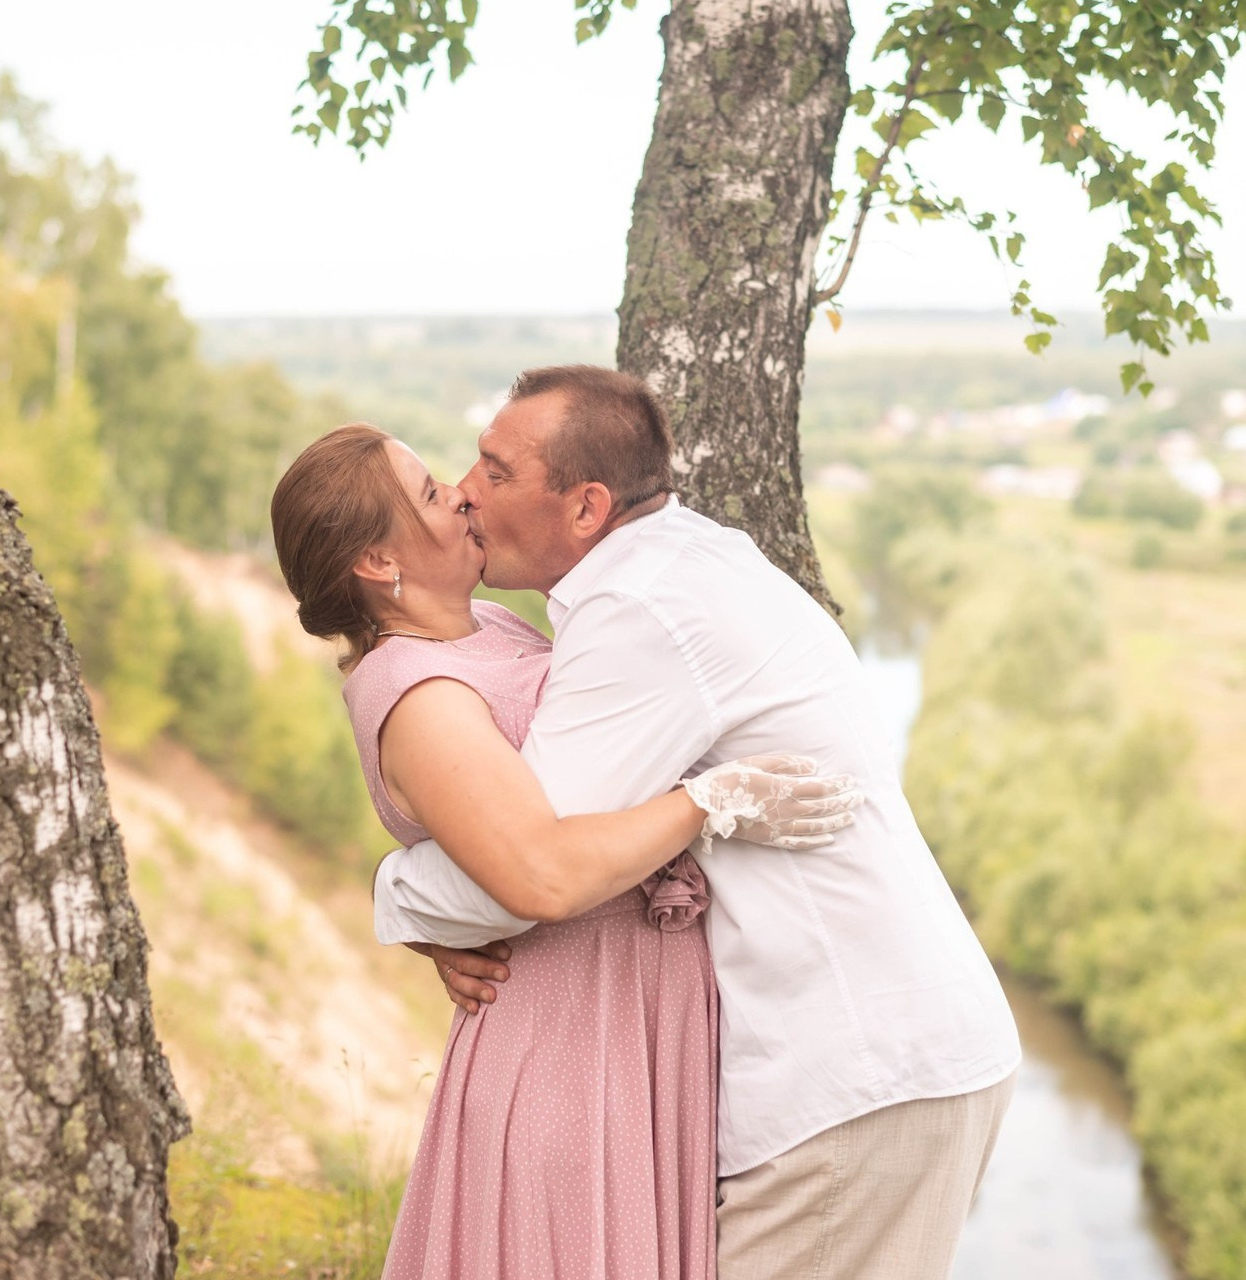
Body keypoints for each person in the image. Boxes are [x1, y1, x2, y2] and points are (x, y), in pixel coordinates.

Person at [375, 365, 1023, 1280]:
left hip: (855, 1076)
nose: (469, 493)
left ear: (588, 507)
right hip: (891, 1053)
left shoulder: (639, 613)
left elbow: (532, 874)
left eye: (496, 470)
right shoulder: (689, 560)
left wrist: (400, 895)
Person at [270, 422, 864, 1280]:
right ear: (377, 563)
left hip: (635, 1016)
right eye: (432, 493)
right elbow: (539, 873)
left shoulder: (484, 629)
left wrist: (415, 904)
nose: (462, 494)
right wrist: (705, 802)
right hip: (571, 1041)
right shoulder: (420, 696)